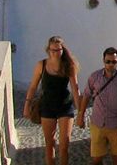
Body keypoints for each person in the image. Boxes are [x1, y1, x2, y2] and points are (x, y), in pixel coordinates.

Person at [24, 36, 80, 165]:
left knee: (65, 144)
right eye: (52, 50)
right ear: (48, 50)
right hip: (47, 106)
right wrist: (27, 105)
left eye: (58, 50)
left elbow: (75, 88)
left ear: (62, 50)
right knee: (50, 144)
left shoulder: (69, 66)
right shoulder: (41, 65)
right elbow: (33, 87)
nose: (55, 52)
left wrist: (80, 111)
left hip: (65, 106)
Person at [77, 46, 117, 165]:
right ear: (103, 61)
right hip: (98, 123)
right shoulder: (94, 77)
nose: (110, 64)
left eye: (113, 61)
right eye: (108, 61)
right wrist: (80, 116)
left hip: (116, 125)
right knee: (97, 159)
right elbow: (86, 95)